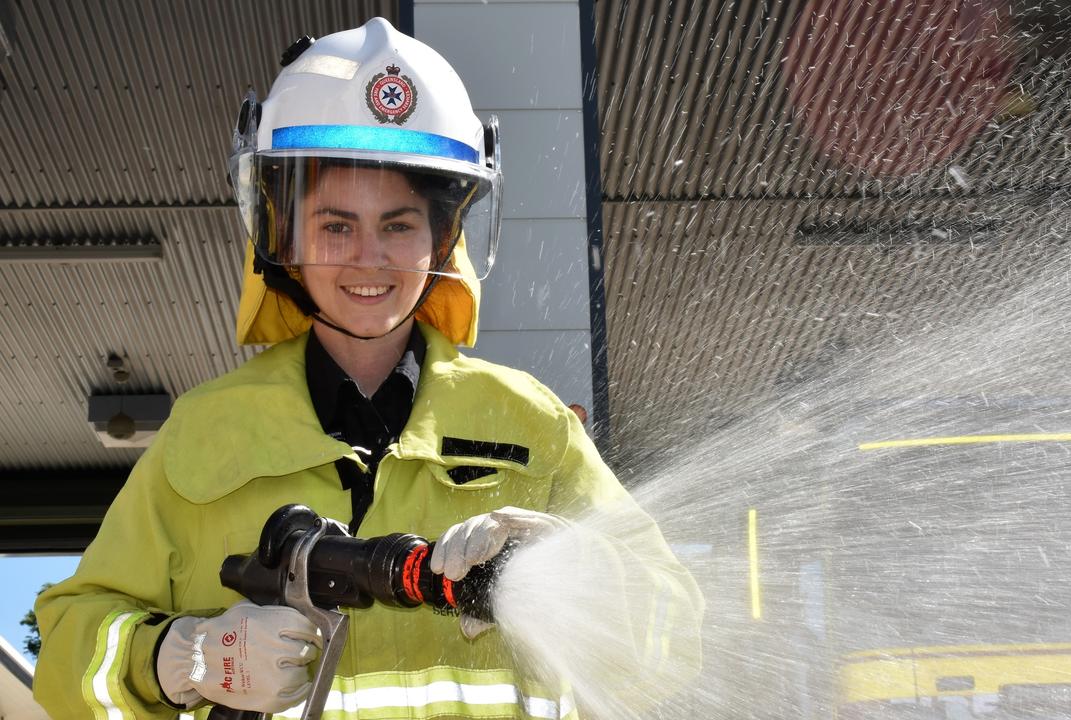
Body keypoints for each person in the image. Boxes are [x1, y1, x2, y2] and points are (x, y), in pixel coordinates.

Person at [33, 17, 701, 719]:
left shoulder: (530, 424)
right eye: (335, 225)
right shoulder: (206, 432)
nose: (367, 260)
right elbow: (66, 655)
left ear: (445, 237)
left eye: (399, 225)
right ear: (281, 232)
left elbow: (677, 636)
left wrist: (583, 574)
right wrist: (188, 655)